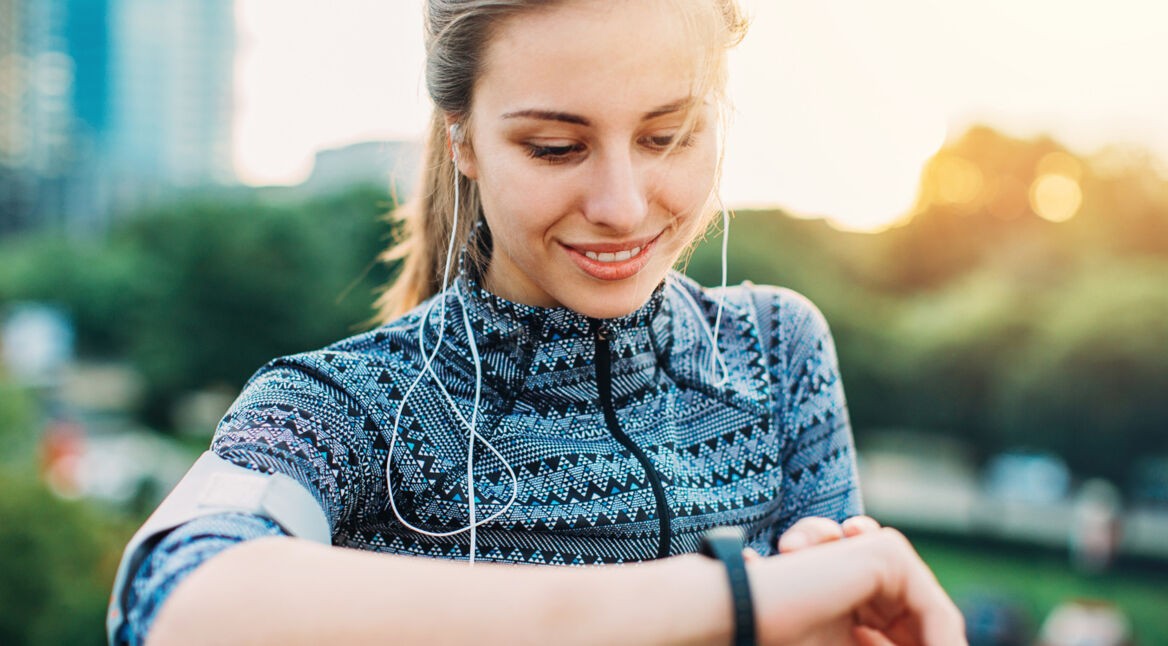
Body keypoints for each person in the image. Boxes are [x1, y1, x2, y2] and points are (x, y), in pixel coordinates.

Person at [108, 1, 965, 644]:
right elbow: (170, 595)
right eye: (555, 148)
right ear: (464, 140)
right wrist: (745, 597)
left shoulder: (778, 349)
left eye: (669, 135)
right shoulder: (349, 405)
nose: (622, 207)